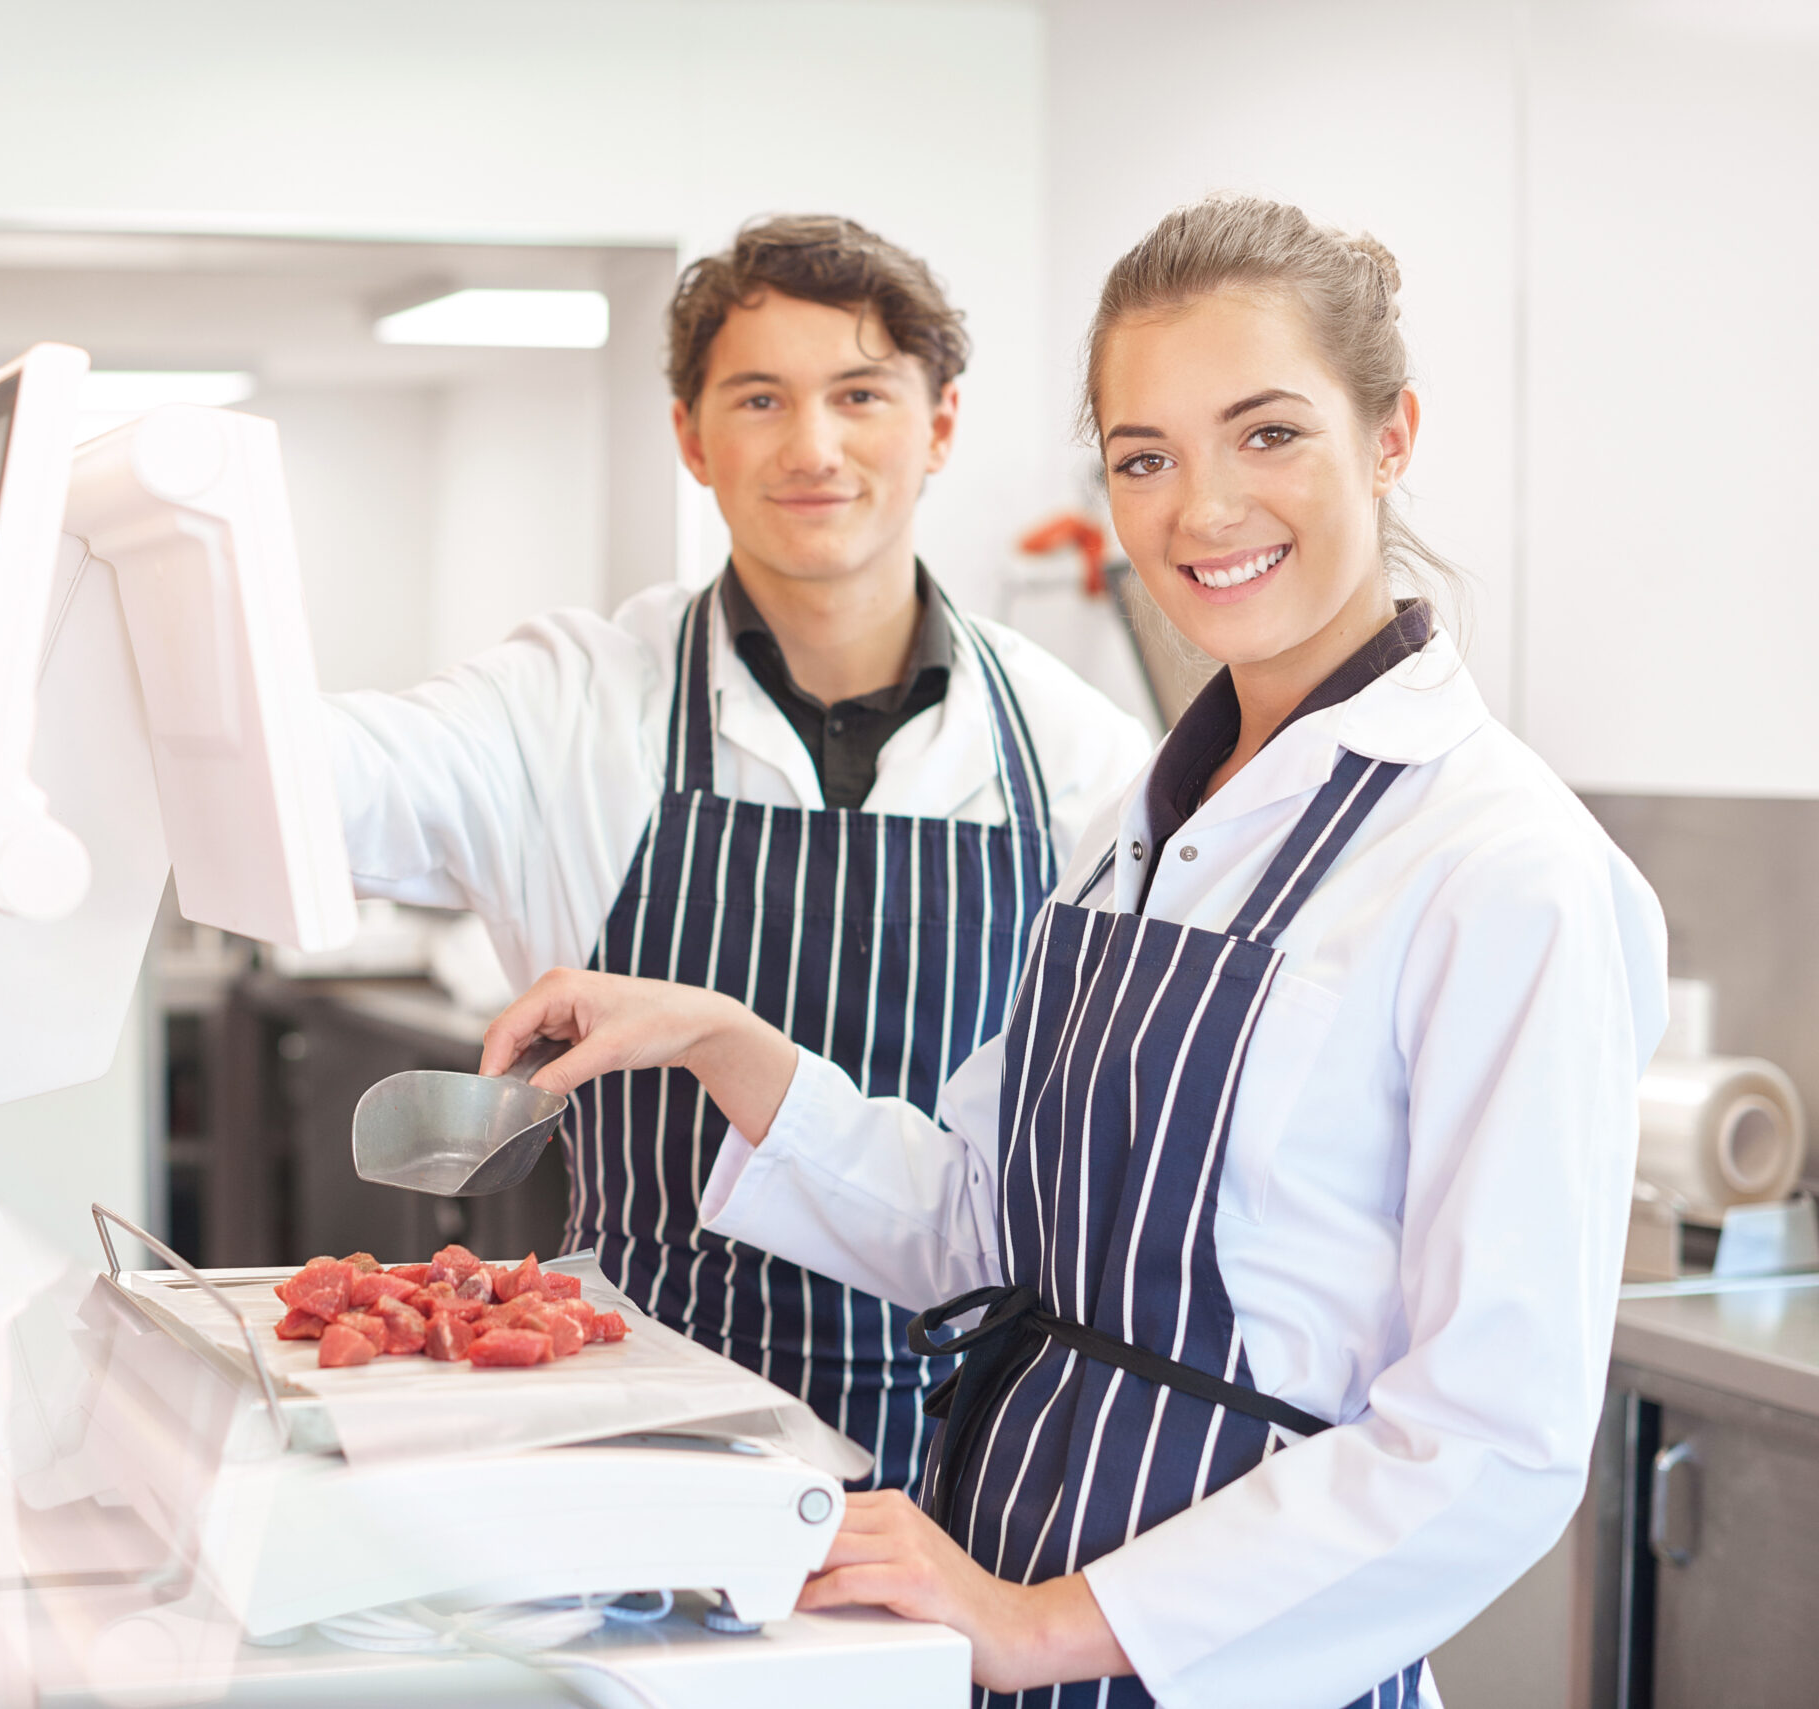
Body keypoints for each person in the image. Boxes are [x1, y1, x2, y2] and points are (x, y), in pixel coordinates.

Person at [479, 197, 1667, 1707]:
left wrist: (1050, 1623)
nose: (1202, 510)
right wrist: (724, 1039)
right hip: (997, 1611)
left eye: (1270, 433)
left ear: (1391, 435)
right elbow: (975, 1226)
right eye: (1144, 458)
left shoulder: (1505, 868)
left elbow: (1490, 1445)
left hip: (1204, 1660)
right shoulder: (1137, 825)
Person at [328, 215, 1149, 1491]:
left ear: (936, 427)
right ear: (690, 437)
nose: (813, 446)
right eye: (759, 397)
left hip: (968, 1460)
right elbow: (334, 785)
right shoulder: (575, 703)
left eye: (860, 395)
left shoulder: (1081, 753)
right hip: (630, 1425)